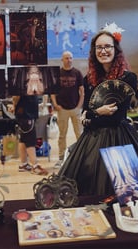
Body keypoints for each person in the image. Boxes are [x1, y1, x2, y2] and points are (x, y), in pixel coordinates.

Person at [58, 24, 138, 197]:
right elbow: (86, 112)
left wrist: (92, 115)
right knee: (85, 191)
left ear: (116, 50)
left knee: (124, 194)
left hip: (119, 139)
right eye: (99, 47)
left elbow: (115, 118)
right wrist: (96, 113)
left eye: (107, 46)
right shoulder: (89, 79)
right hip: (91, 139)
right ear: (94, 51)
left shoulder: (128, 78)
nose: (103, 51)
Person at [50, 50, 84, 168]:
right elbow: (52, 92)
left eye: (70, 58)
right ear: (62, 60)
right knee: (62, 135)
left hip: (75, 109)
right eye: (66, 58)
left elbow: (82, 91)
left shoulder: (78, 73)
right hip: (62, 109)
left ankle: (82, 157)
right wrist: (55, 104)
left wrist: (79, 105)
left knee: (79, 133)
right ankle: (60, 158)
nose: (69, 60)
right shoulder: (57, 73)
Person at [12, 95, 48, 175]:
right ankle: (35, 166)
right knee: (30, 140)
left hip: (28, 113)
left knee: (23, 139)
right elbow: (15, 96)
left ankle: (23, 164)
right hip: (26, 114)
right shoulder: (21, 84)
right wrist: (15, 106)